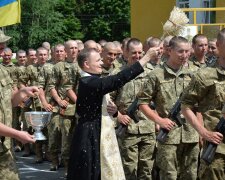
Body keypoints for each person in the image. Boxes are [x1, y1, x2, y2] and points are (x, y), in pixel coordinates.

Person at [67, 46, 159, 180]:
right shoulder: (88, 82)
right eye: (98, 60)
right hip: (89, 135)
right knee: (91, 172)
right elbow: (117, 80)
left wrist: (115, 113)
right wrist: (146, 58)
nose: (101, 63)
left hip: (98, 131)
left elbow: (100, 105)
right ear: (86, 64)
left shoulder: (93, 80)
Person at [138, 36, 200, 180]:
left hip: (191, 134)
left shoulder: (194, 75)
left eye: (187, 51)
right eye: (180, 51)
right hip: (169, 135)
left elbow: (199, 107)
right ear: (169, 51)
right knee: (169, 175)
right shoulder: (156, 75)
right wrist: (159, 121)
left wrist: (201, 130)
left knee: (190, 174)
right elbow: (142, 103)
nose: (184, 55)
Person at [181, 28, 225, 180]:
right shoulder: (205, 75)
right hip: (218, 149)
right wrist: (203, 132)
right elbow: (186, 106)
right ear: (218, 45)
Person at [111, 38, 156, 180]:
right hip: (127, 128)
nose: (137, 56)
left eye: (140, 52)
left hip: (148, 127)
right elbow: (108, 100)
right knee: (129, 168)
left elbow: (159, 99)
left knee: (146, 169)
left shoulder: (152, 73)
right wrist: (118, 116)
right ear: (125, 53)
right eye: (133, 53)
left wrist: (157, 120)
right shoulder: (117, 74)